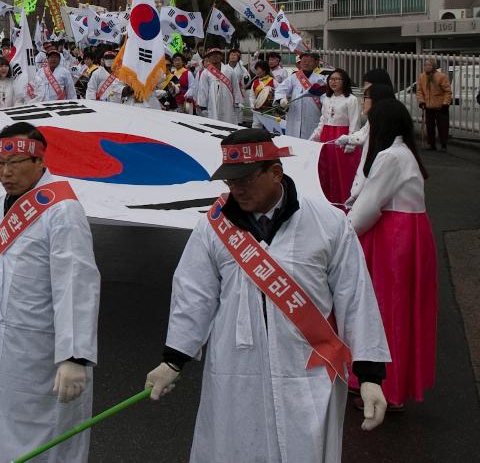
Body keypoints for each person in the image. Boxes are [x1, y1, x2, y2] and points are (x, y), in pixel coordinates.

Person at [145, 127, 390, 462]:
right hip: (235, 365)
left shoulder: (328, 223)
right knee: (235, 447)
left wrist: (370, 375)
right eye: (230, 182)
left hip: (308, 368)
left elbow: (355, 296)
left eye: (245, 179)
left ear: (275, 172)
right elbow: (193, 293)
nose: (236, 189)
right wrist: (173, 359)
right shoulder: (213, 226)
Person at [0, 122, 99, 463]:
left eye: (15, 164)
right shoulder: (0, 205)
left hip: (40, 348)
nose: (5, 172)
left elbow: (77, 285)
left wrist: (75, 356)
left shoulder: (62, 209)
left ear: (39, 161)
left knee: (39, 432)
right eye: (0, 164)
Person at [347, 99, 436, 411]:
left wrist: (343, 234)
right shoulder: (405, 153)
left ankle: (385, 386)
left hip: (392, 237)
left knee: (386, 310)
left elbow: (369, 206)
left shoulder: (389, 156)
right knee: (400, 310)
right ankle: (390, 383)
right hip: (407, 233)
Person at [310, 69, 363, 204]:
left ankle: (343, 202)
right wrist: (315, 136)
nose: (333, 82)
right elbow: (323, 120)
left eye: (337, 79)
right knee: (326, 170)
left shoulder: (351, 100)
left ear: (344, 81)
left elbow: (354, 123)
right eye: (331, 79)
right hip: (327, 137)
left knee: (342, 173)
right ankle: (327, 201)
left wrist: (351, 143)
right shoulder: (327, 98)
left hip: (342, 138)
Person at [274, 50, 326, 139]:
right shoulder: (293, 78)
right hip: (294, 117)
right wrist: (282, 99)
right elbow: (280, 89)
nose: (306, 63)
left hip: (313, 117)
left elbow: (325, 98)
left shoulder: (321, 80)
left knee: (311, 145)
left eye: (309, 61)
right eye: (304, 61)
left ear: (316, 63)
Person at [195, 46, 239, 126]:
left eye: (217, 54)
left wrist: (237, 102)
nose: (214, 56)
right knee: (214, 124)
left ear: (221, 56)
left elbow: (235, 87)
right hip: (212, 103)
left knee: (228, 123)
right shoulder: (205, 73)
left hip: (227, 102)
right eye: (212, 55)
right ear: (209, 58)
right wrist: (203, 107)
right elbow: (203, 90)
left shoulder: (229, 70)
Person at [415, 59, 452, 152]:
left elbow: (447, 91)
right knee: (430, 126)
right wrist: (421, 101)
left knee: (442, 126)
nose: (427, 67)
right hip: (428, 106)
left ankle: (443, 145)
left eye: (429, 65)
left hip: (441, 106)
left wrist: (445, 103)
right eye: (426, 65)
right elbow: (419, 91)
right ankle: (431, 144)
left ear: (434, 66)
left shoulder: (441, 76)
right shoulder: (422, 76)